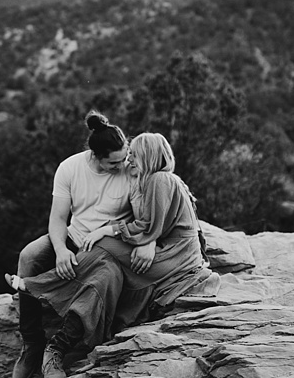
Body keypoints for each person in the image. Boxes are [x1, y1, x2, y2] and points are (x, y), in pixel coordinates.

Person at [4, 112, 153, 378]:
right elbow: (58, 218)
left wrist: (148, 241)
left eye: (126, 157)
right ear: (95, 155)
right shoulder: (70, 168)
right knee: (29, 256)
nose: (122, 164)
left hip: (107, 246)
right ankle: (32, 345)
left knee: (102, 277)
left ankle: (56, 349)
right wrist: (60, 250)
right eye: (114, 161)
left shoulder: (131, 172)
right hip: (73, 236)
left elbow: (145, 219)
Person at [78, 132, 218, 331]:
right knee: (104, 258)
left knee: (101, 244)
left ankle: (53, 286)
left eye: (134, 154)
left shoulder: (159, 180)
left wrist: (107, 230)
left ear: (148, 156)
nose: (129, 158)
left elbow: (148, 226)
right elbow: (156, 226)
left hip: (176, 259)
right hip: (178, 255)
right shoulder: (163, 179)